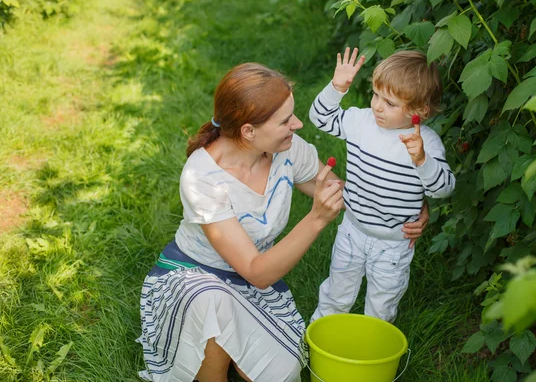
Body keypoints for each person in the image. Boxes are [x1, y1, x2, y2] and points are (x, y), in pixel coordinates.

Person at [137, 62, 430, 382]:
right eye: (286, 120)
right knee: (212, 301)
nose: (299, 124)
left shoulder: (288, 151)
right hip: (193, 277)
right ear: (249, 131)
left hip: (249, 287)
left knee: (285, 373)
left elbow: (342, 194)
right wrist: (316, 219)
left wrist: (409, 206)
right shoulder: (202, 177)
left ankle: (230, 347)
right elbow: (257, 272)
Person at [310, 48, 455, 324]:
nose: (377, 106)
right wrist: (336, 87)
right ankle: (317, 341)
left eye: (389, 102)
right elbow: (321, 119)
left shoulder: (425, 143)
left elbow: (443, 189)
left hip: (393, 245)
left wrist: (422, 160)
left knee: (381, 308)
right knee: (335, 295)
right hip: (352, 231)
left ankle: (371, 356)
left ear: (419, 111)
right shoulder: (361, 122)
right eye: (376, 95)